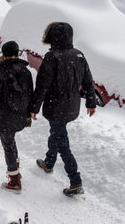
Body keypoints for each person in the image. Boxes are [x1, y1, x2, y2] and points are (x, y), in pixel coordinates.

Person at [29, 22, 96, 197]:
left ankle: (75, 180)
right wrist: (90, 103)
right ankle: (49, 162)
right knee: (57, 132)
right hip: (72, 104)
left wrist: (33, 108)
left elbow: (42, 86)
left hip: (56, 104)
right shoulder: (79, 55)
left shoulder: (52, 57)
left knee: (61, 141)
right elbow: (89, 81)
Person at [0, 41, 33, 193]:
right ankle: (16, 170)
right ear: (18, 53)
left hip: (6, 115)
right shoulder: (26, 71)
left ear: (3, 54)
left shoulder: (0, 72)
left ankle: (14, 181)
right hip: (20, 114)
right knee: (11, 141)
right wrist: (28, 115)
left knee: (8, 146)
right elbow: (30, 94)